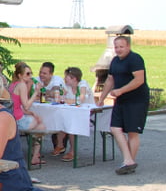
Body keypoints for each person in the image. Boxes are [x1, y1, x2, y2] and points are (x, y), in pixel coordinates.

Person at [97, 36, 149, 175]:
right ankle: (128, 160)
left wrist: (121, 90)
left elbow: (139, 80)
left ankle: (128, 162)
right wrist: (102, 98)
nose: (118, 49)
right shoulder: (115, 61)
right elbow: (110, 80)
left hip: (136, 100)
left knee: (132, 131)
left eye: (121, 47)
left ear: (128, 46)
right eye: (116, 47)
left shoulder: (135, 59)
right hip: (121, 100)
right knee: (115, 128)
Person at [53, 67, 94, 161]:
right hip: (73, 111)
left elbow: (81, 99)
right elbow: (61, 98)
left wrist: (66, 100)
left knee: (71, 124)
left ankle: (72, 151)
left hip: (87, 112)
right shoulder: (67, 86)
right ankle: (60, 145)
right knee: (61, 119)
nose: (64, 79)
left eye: (66, 77)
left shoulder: (82, 84)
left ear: (74, 78)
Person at [10, 62, 43, 166]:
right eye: (27, 74)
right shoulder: (22, 85)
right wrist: (36, 92)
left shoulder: (13, 85)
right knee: (41, 126)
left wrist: (32, 113)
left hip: (13, 117)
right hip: (19, 120)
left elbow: (17, 105)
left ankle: (34, 153)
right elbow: (26, 105)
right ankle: (35, 156)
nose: (30, 76)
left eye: (31, 73)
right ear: (20, 75)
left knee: (37, 122)